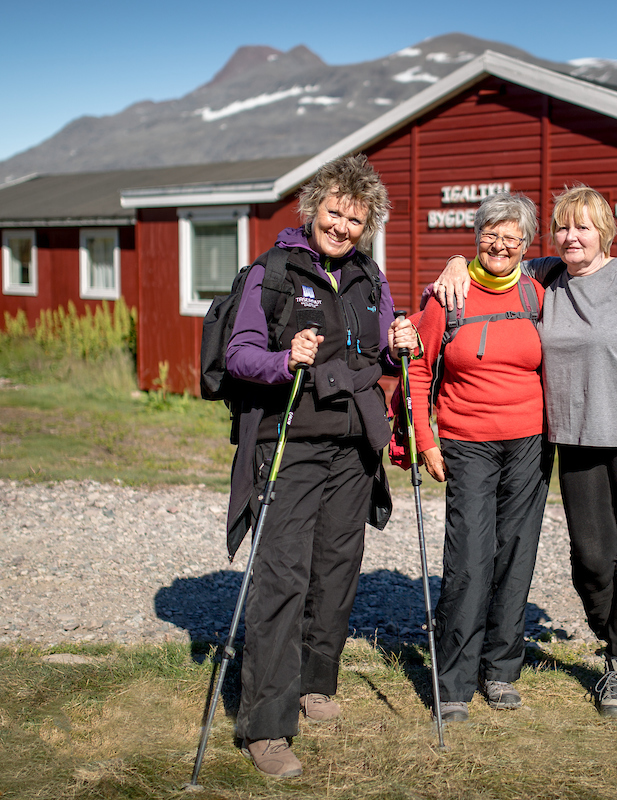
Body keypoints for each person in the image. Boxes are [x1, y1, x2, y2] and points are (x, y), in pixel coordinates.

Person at [436, 185, 617, 718]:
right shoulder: (549, 276)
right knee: (590, 560)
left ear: (605, 233)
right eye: (564, 228)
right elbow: (499, 248)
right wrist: (456, 260)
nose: (572, 237)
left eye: (584, 228)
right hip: (572, 440)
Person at [224, 153, 419, 778]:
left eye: (356, 219)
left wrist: (399, 347)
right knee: (283, 576)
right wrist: (286, 360)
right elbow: (240, 354)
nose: (342, 227)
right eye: (334, 212)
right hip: (289, 442)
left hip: (352, 449)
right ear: (313, 208)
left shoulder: (369, 276)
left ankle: (315, 683)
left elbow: (383, 358)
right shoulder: (273, 271)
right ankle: (266, 727)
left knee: (337, 568)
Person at [408, 193, 552, 723]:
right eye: (491, 233)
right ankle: (453, 682)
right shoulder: (449, 296)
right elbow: (418, 371)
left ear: (526, 245)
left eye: (511, 236)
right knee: (468, 558)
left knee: (516, 554)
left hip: (530, 443)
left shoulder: (538, 294)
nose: (499, 244)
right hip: (467, 442)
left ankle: (501, 669)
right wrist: (425, 439)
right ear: (476, 238)